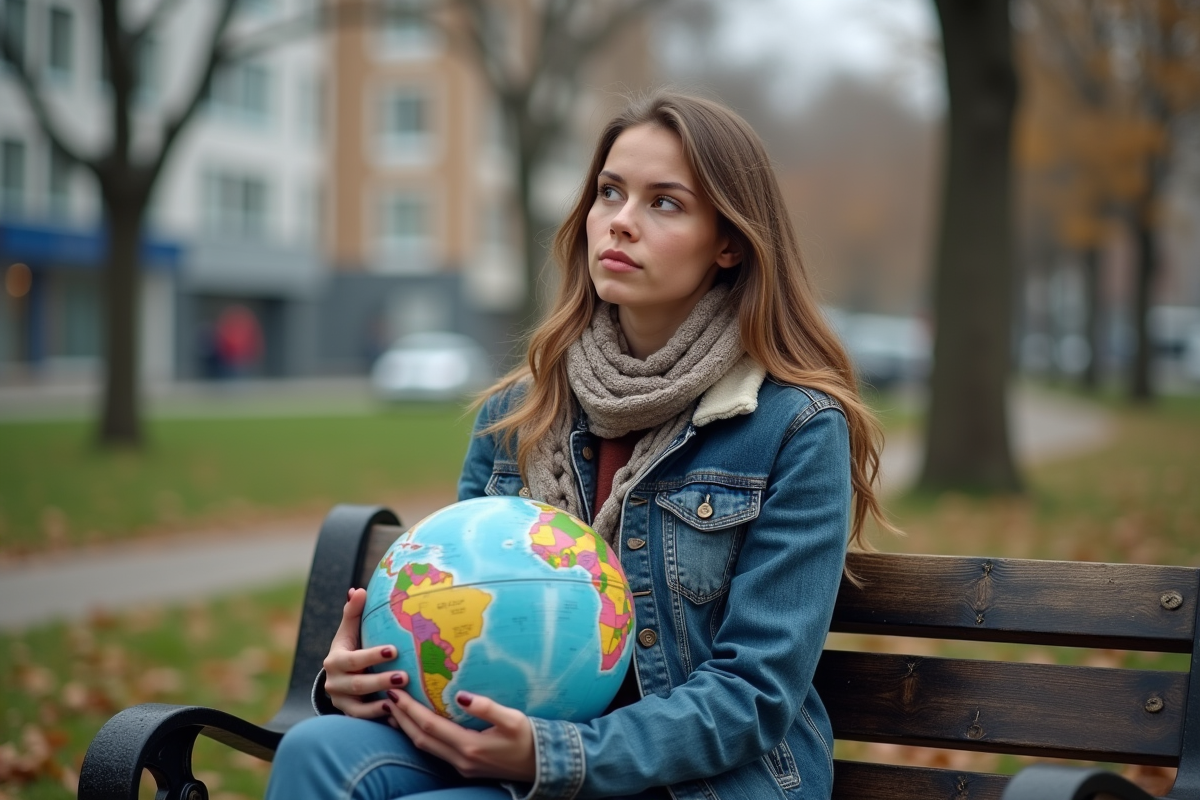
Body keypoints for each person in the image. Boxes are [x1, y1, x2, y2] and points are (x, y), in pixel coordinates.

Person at [265, 92, 890, 800]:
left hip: (704, 779)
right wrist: (366, 678)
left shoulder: (795, 427)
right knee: (317, 749)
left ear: (729, 243)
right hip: (519, 741)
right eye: (610, 192)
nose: (620, 222)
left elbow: (754, 694)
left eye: (665, 203)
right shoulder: (521, 411)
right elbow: (461, 609)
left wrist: (553, 756)